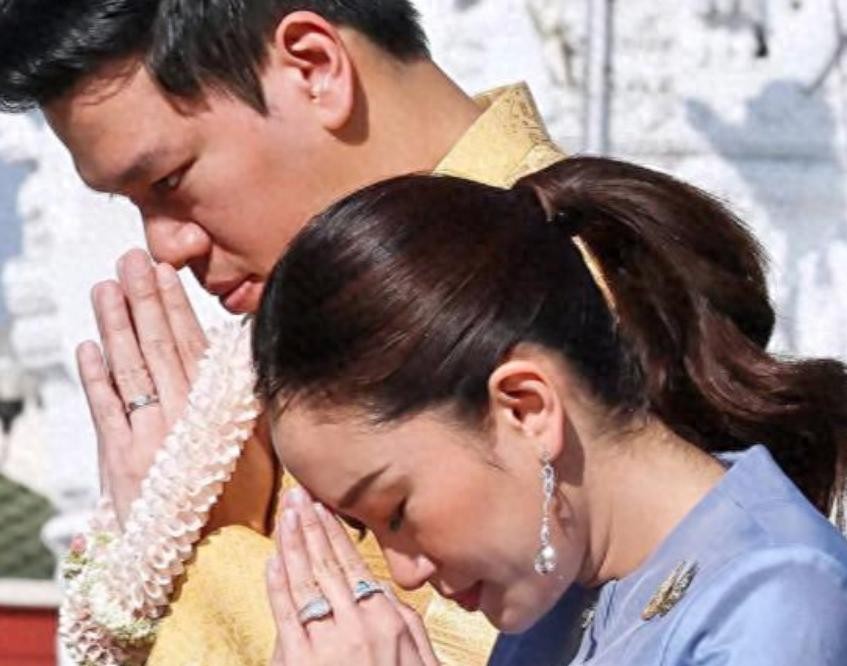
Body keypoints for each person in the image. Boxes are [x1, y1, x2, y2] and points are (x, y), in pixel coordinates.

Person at [0, 1, 566, 663]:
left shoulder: (591, 301)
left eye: (169, 180)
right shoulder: (269, 352)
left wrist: (200, 551)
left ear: (312, 67)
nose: (167, 248)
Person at [252, 157, 847, 665]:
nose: (404, 572)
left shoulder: (774, 600)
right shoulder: (560, 599)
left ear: (526, 408)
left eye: (396, 511)